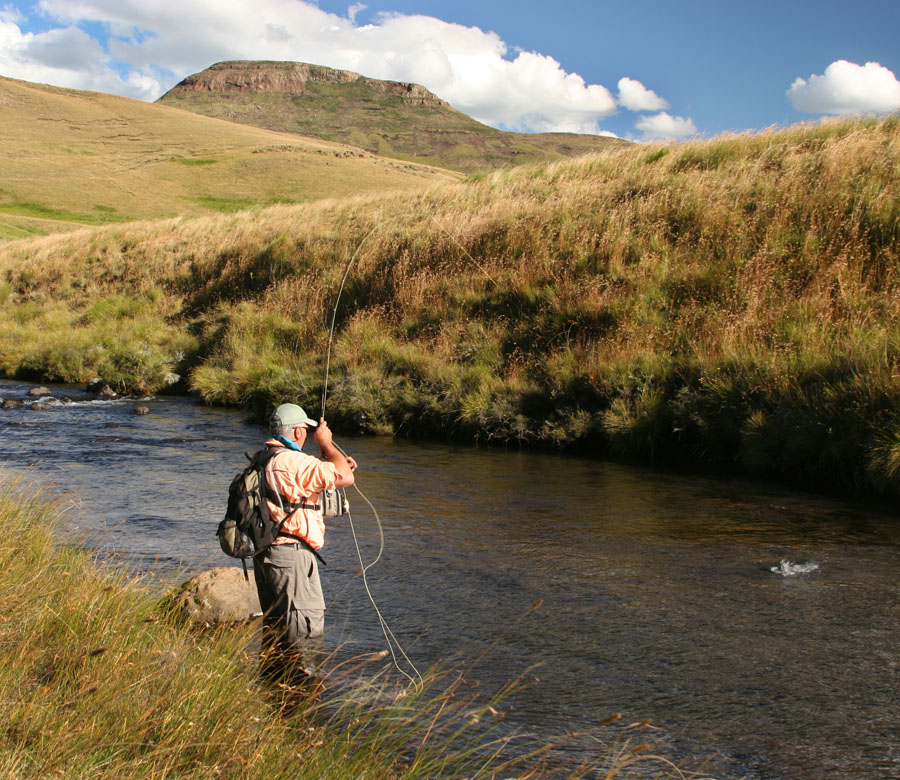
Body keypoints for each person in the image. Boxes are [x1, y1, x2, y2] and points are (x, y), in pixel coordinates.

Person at [253, 402, 357, 686]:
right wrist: (328, 444)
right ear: (298, 431)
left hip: (268, 557)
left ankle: (271, 697)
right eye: (307, 430)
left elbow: (312, 479)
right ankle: (299, 699)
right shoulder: (295, 463)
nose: (309, 435)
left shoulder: (265, 457)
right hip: (292, 560)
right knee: (304, 632)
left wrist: (331, 459)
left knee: (277, 632)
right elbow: (345, 477)